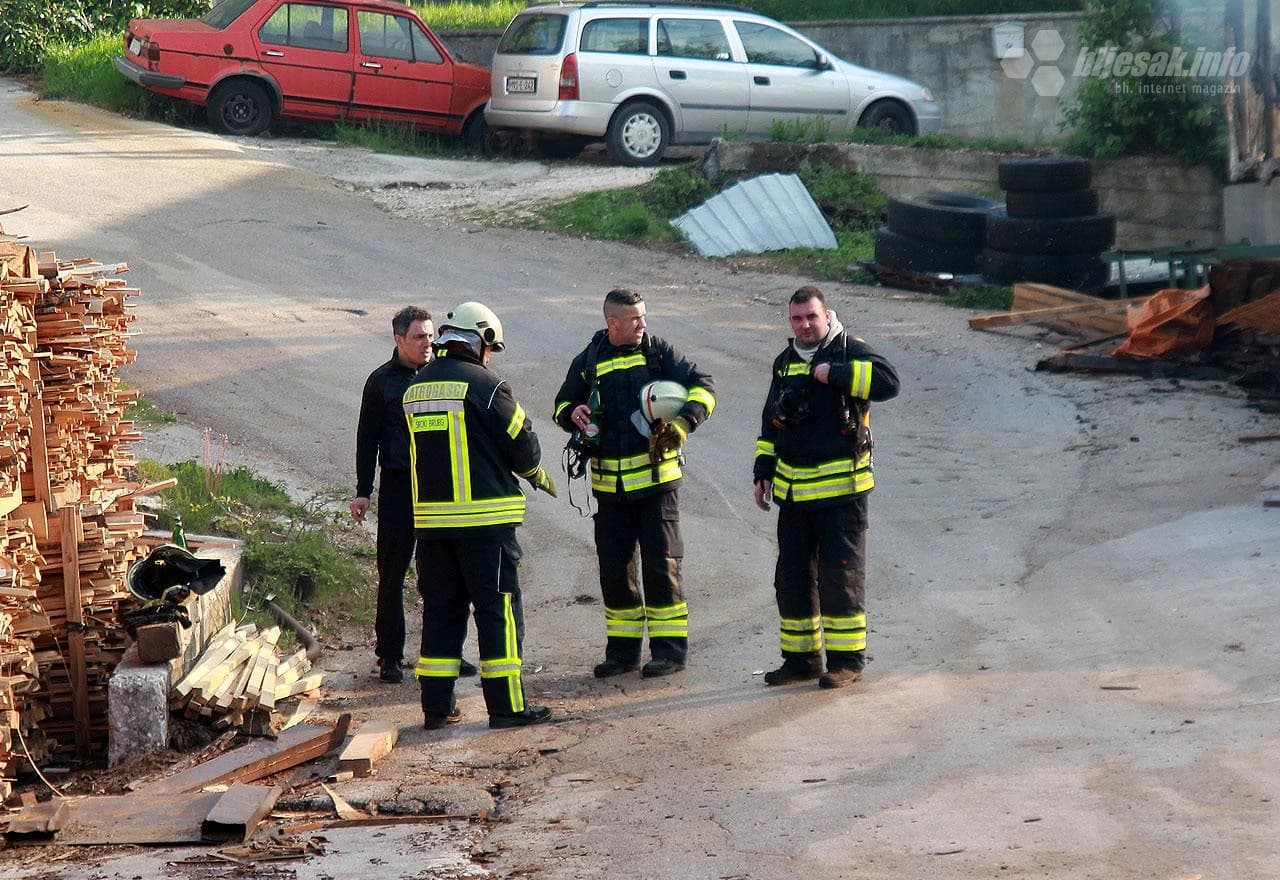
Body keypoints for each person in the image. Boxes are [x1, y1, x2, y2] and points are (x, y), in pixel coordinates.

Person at [405, 302, 558, 729]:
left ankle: (436, 709)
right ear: (481, 339)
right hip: (484, 527)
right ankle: (507, 708)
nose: (490, 357)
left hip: (432, 527)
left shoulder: (415, 387)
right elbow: (522, 441)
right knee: (497, 612)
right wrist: (532, 472)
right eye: (491, 347)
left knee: (440, 612)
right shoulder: (486, 385)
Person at [554, 288, 716, 679]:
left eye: (644, 316)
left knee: (662, 568)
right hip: (610, 491)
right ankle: (622, 654)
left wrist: (683, 423)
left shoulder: (658, 353)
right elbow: (560, 405)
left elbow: (704, 387)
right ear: (613, 323)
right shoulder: (590, 359)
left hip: (658, 487)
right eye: (635, 319)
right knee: (615, 572)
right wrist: (571, 412)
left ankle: (670, 653)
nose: (643, 324)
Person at [752, 286, 900, 689]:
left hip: (842, 494)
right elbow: (770, 424)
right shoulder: (784, 363)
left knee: (841, 579)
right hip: (795, 496)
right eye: (797, 319)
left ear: (827, 315)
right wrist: (763, 470)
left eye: (811, 317)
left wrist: (836, 374)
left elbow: (889, 382)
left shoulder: (850, 349)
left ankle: (847, 663)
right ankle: (801, 661)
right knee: (792, 579)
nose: (804, 325)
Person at [351, 307, 479, 683]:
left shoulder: (443, 373)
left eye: (431, 336)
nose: (428, 344)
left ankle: (447, 652)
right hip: (398, 488)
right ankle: (389, 656)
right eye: (419, 337)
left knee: (443, 576)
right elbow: (366, 440)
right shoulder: (381, 382)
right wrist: (363, 491)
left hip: (440, 489)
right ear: (399, 340)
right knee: (392, 574)